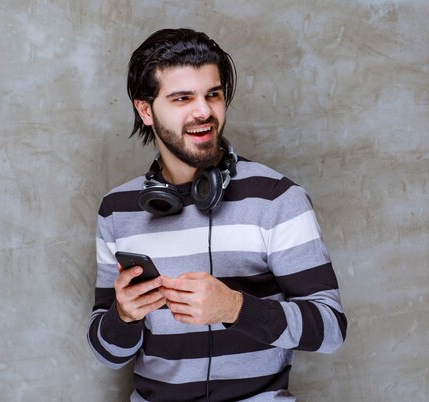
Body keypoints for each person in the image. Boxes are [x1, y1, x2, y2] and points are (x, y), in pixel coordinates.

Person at [87, 28, 347, 402]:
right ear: (145, 110)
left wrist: (235, 307)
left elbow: (330, 329)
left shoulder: (277, 198)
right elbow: (106, 353)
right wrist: (123, 317)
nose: (204, 111)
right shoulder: (117, 210)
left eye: (213, 94)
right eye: (182, 98)